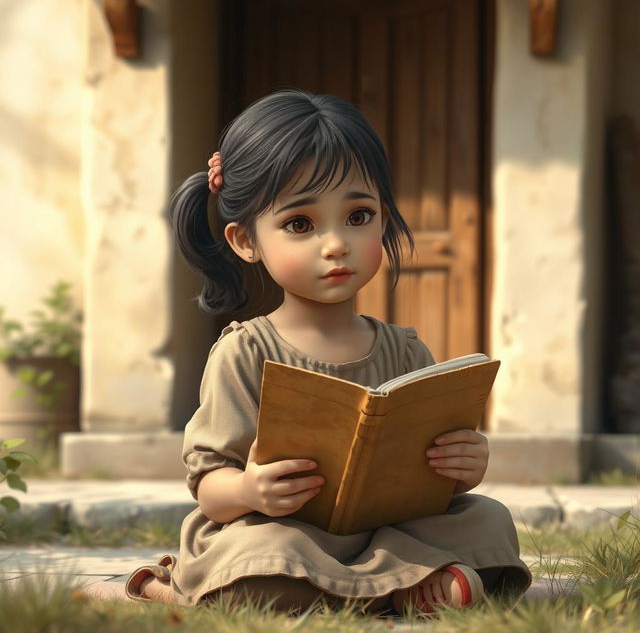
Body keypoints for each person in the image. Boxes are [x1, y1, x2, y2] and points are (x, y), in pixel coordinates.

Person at [125, 90, 531, 616]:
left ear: (384, 218)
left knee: (489, 519)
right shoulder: (244, 352)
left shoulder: (406, 350)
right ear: (246, 241)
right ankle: (408, 590)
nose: (336, 243)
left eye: (359, 215)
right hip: (287, 534)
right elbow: (209, 487)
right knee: (258, 555)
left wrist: (465, 466)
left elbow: (441, 482)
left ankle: (376, 586)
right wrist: (250, 489)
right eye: (300, 224)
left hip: (387, 533)